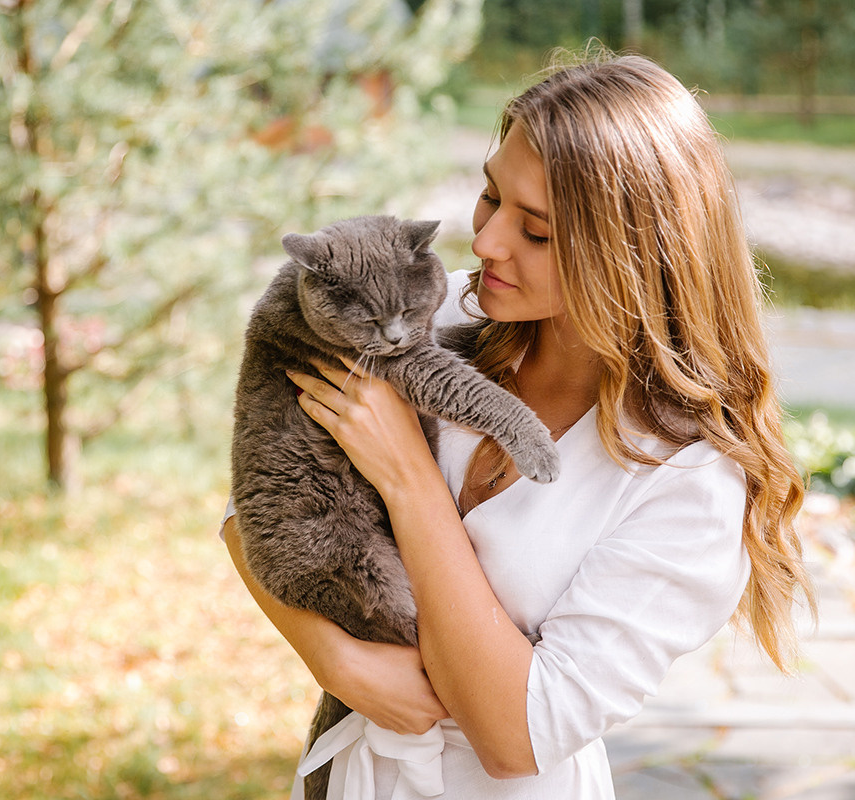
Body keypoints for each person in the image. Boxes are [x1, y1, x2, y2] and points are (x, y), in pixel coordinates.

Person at [221, 47, 816, 799]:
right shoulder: (432, 332)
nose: (487, 242)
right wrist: (337, 660)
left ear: (632, 258)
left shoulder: (685, 480)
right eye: (490, 195)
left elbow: (513, 735)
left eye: (536, 231)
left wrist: (408, 477)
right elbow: (251, 510)